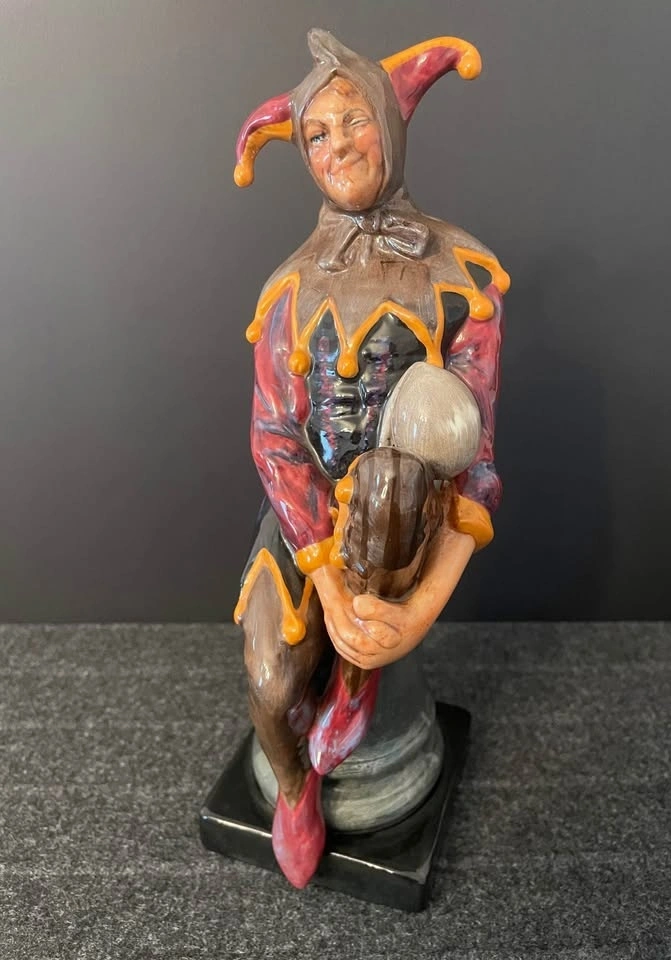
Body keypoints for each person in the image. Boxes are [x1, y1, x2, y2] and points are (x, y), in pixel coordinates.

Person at [232, 29, 510, 888]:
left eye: (356, 121)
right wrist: (326, 582)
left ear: (388, 125)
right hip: (307, 520)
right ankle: (294, 787)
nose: (340, 145)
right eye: (317, 133)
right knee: (271, 683)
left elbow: (477, 457)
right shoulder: (287, 290)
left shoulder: (464, 275)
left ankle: (359, 680)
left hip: (409, 519)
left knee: (393, 478)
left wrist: (419, 606)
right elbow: (274, 437)